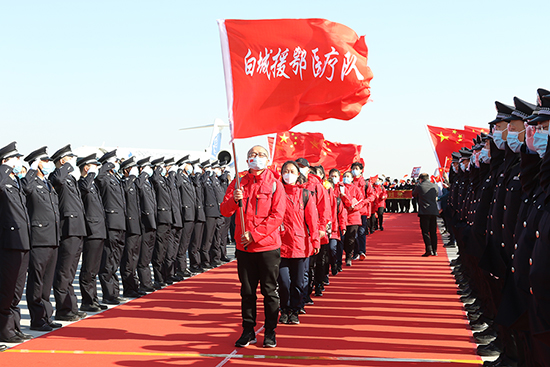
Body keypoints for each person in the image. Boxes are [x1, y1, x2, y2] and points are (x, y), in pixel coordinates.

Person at [220, 145, 285, 349]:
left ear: (267, 159)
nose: (255, 158)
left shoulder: (275, 183)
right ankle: (248, 330)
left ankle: (270, 331)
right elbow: (224, 210)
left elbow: (277, 216)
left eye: (259, 155)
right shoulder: (239, 182)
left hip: (267, 247)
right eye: (251, 155)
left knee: (269, 292)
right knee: (247, 292)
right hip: (245, 248)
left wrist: (254, 234)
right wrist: (234, 199)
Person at [22, 147, 62, 331]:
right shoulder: (29, 182)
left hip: (52, 238)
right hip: (39, 238)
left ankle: (46, 315)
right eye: (44, 161)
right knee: (37, 281)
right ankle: (37, 319)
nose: (48, 164)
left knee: (47, 282)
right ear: (37, 163)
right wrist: (31, 170)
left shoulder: (47, 183)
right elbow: (25, 189)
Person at [278, 161, 319, 325]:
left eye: (292, 171)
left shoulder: (305, 195)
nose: (288, 174)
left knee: (298, 282)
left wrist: (315, 241)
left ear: (298, 174)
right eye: (285, 171)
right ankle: (284, 309)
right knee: (283, 282)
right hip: (280, 245)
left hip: (300, 245)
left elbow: (312, 220)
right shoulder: (277, 193)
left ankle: (294, 310)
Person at [50, 144, 88, 321]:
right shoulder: (57, 176)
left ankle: (71, 307)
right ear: (62, 160)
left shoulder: (70, 179)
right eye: (69, 158)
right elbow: (57, 179)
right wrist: (64, 165)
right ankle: (63, 310)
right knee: (64, 272)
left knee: (70, 271)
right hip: (68, 228)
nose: (72, 162)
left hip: (77, 227)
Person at [0, 142, 33, 343]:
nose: (19, 161)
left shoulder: (15, 182)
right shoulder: (3, 178)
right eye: (15, 158)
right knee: (6, 288)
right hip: (9, 241)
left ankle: (13, 327)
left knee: (16, 289)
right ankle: (4, 329)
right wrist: (3, 166)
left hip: (22, 241)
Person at [77, 154, 108, 312]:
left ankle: (93, 299)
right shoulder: (82, 183)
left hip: (99, 229)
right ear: (86, 167)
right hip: (91, 230)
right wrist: (89, 174)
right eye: (92, 165)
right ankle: (87, 301)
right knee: (88, 269)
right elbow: (85, 187)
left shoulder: (92, 184)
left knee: (94, 269)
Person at [96, 150, 127, 304]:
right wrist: (106, 163)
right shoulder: (104, 177)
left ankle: (114, 292)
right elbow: (99, 177)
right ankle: (108, 294)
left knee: (115, 259)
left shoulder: (114, 177)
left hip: (120, 222)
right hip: (111, 223)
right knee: (108, 260)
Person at [135, 157, 157, 292]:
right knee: (143, 256)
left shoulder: (147, 183)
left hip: (152, 221)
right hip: (144, 222)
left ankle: (147, 281)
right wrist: (142, 174)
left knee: (147, 255)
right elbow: (138, 186)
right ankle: (144, 282)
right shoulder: (140, 181)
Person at [339, 171, 365, 266]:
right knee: (343, 239)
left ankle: (349, 257)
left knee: (351, 239)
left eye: (348, 176)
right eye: (344, 176)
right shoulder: (339, 188)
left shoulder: (356, 189)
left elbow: (361, 202)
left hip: (353, 217)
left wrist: (354, 207)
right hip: (341, 216)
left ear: (352, 178)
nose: (346, 178)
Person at [412, 173, 439, 256]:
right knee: (433, 231)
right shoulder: (435, 186)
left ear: (420, 179)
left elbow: (414, 194)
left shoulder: (419, 186)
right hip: (433, 211)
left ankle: (429, 249)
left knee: (425, 231)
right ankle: (434, 250)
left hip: (424, 212)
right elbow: (436, 194)